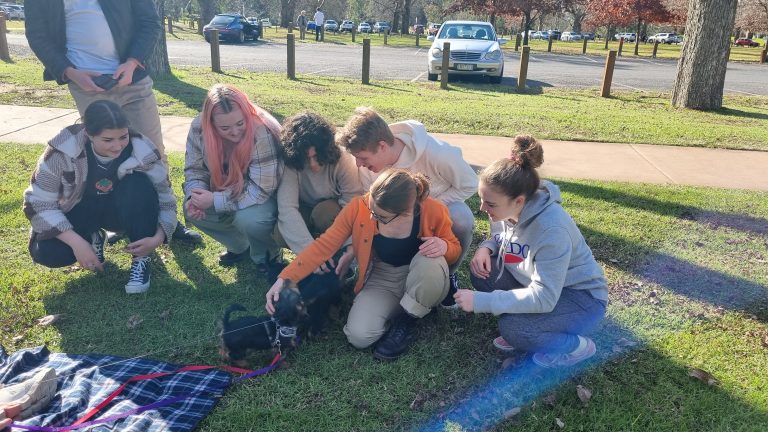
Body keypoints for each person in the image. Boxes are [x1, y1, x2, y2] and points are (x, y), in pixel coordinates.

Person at [24, 0, 200, 244]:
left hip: (133, 82)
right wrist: (69, 72)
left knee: (153, 153)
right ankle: (121, 221)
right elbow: (37, 35)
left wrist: (132, 62)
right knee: (105, 155)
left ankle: (166, 222)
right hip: (86, 86)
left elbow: (149, 23)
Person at [266, 169, 461, 361]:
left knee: (429, 262)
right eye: (371, 209)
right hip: (383, 277)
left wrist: (444, 245)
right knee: (359, 336)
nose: (371, 218)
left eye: (380, 216)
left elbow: (454, 250)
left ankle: (409, 318)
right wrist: (284, 278)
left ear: (406, 211)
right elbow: (324, 246)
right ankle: (414, 303)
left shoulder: (433, 210)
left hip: (423, 271)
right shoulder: (358, 207)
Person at [454, 136, 608, 368]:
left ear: (519, 201)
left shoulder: (551, 229)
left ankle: (577, 347)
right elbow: (502, 237)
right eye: (481, 199)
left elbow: (545, 297)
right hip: (538, 283)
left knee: (515, 329)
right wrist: (487, 248)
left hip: (581, 297)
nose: (482, 208)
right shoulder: (504, 209)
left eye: (490, 204)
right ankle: (531, 323)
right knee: (481, 273)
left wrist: (481, 301)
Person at [23, 100, 179, 294]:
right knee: (46, 252)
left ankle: (141, 260)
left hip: (119, 210)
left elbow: (167, 199)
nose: (117, 146)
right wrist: (77, 242)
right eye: (108, 140)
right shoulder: (61, 150)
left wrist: (158, 237)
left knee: (138, 184)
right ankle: (92, 237)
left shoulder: (143, 151)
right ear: (89, 134)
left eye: (123, 137)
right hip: (79, 210)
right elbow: (36, 203)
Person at [336, 107, 478, 308]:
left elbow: (470, 183)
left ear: (382, 146)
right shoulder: (368, 169)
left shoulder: (436, 153)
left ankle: (446, 275)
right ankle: (381, 271)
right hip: (392, 219)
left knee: (462, 218)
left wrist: (427, 209)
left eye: (363, 158)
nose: (358, 164)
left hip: (434, 214)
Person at [183, 84, 283, 270]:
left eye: (240, 123)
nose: (235, 132)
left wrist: (214, 200)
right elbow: (194, 169)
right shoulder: (198, 127)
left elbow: (261, 189)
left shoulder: (262, 131)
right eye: (225, 127)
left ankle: (267, 256)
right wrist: (194, 195)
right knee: (192, 208)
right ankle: (239, 245)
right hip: (223, 190)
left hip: (264, 196)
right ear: (210, 122)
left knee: (250, 219)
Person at [274, 112, 363, 274]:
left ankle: (338, 258)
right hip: (306, 211)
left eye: (317, 156)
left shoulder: (343, 158)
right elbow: (287, 209)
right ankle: (318, 259)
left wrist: (350, 248)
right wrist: (311, 255)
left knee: (324, 212)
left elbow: (353, 207)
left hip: (333, 213)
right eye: (306, 159)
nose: (313, 165)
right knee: (280, 232)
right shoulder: (290, 163)